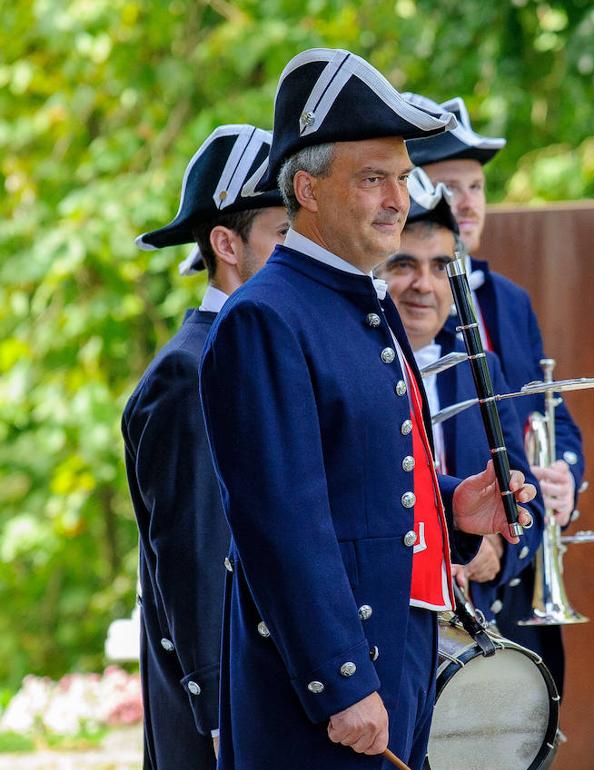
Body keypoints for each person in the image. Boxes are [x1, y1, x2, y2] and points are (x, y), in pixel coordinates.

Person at [198, 49, 534, 769]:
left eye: (401, 176)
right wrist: (341, 681)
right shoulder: (266, 317)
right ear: (308, 190)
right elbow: (282, 520)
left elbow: (365, 475)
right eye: (372, 178)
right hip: (327, 689)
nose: (398, 198)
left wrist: (452, 505)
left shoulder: (359, 304)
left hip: (398, 656)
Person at [406, 94, 583, 692]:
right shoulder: (381, 313)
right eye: (447, 186)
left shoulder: (508, 301)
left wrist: (556, 480)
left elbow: (543, 418)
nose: (465, 203)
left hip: (501, 581)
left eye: (475, 187)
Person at [123, 124, 287, 769]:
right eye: (283, 235)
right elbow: (194, 554)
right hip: (226, 715)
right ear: (226, 243)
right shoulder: (191, 370)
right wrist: (221, 715)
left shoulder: (252, 352)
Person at [375, 168, 544, 632]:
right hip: (386, 623)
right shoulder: (349, 363)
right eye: (404, 265)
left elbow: (529, 500)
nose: (423, 285)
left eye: (440, 267)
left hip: (477, 628)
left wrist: (499, 550)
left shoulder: (480, 365)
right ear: (378, 273)